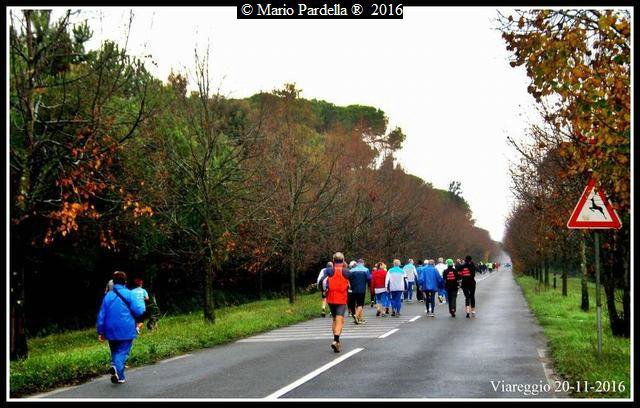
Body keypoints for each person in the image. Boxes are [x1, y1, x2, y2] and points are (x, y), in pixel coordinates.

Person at [97, 271, 145, 384]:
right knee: (123, 352)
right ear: (125, 282)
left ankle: (120, 376)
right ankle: (115, 367)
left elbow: (102, 315)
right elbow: (139, 310)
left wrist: (101, 331)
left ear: (113, 282)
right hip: (126, 328)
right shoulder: (129, 294)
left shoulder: (108, 296)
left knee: (115, 351)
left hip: (110, 329)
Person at [318, 252, 352, 353]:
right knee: (340, 320)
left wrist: (324, 291)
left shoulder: (328, 271)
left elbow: (321, 281)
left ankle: (336, 342)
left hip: (330, 299)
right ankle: (336, 340)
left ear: (333, 260)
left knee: (334, 319)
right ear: (343, 260)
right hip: (341, 299)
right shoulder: (346, 272)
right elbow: (351, 286)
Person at [349, 259, 371, 324]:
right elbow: (369, 278)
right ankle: (356, 316)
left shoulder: (351, 270)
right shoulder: (366, 270)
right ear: (363, 263)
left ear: (357, 263)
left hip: (353, 290)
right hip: (361, 289)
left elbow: (348, 278)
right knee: (360, 305)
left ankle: (360, 319)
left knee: (356, 305)